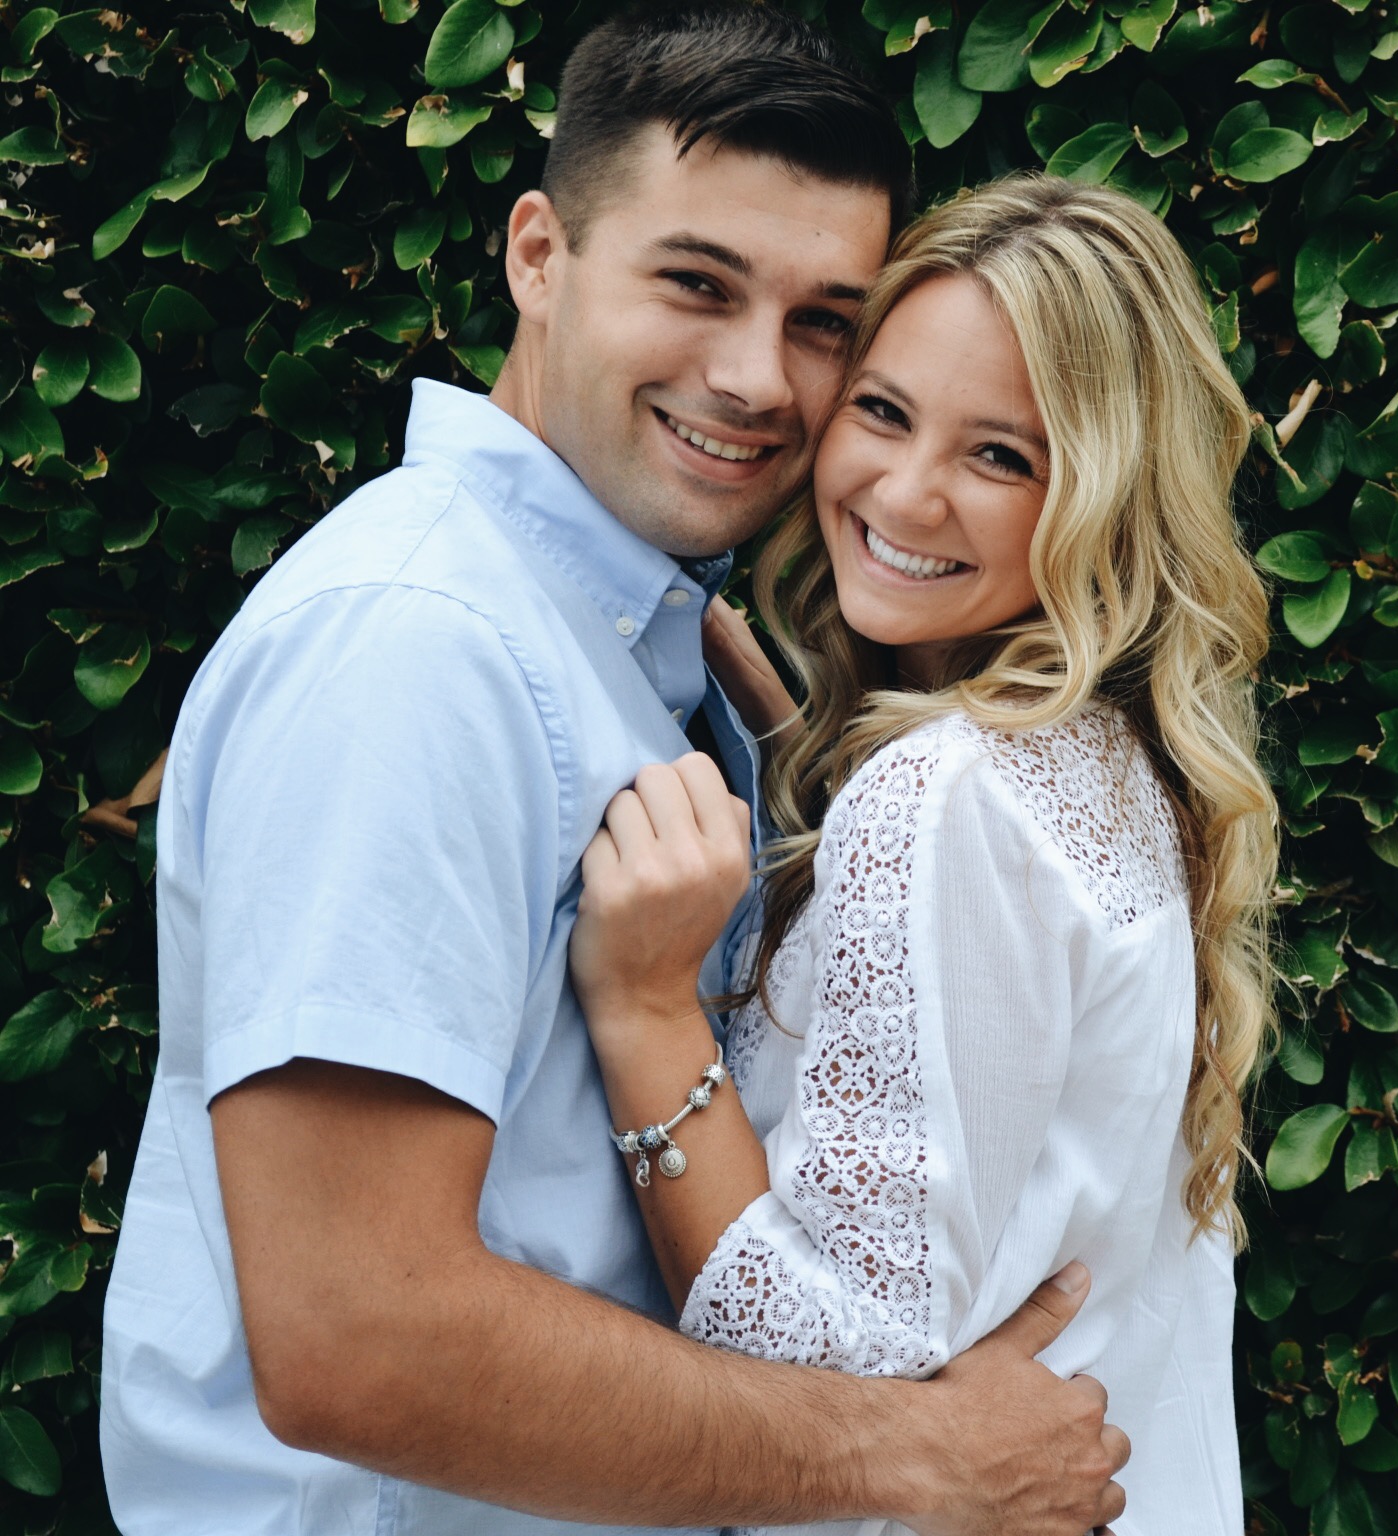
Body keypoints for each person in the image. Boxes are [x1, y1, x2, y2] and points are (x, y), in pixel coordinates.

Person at [100, 7, 1125, 1533]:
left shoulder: (634, 642)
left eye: (823, 323)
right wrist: (911, 1453)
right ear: (539, 255)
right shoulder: (419, 647)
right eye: (696, 284)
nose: (759, 378)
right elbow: (357, 1336)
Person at [564, 174, 1279, 1535]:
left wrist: (647, 1012)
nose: (905, 491)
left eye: (1000, 457)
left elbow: (844, 1372)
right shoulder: (1113, 762)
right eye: (884, 413)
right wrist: (809, 759)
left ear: (1105, 496)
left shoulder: (945, 796)